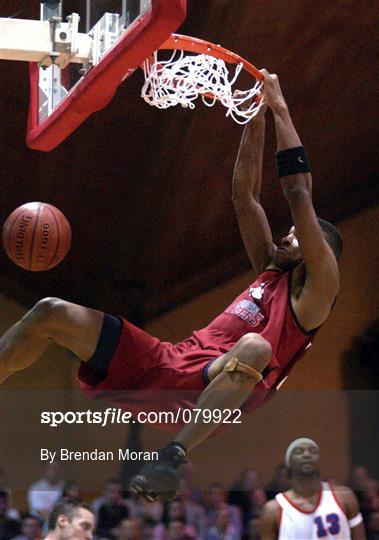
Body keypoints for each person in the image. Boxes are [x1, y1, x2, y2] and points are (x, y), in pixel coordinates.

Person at [0, 71, 342, 502]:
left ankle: (172, 458)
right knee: (50, 311)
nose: (288, 236)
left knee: (256, 346)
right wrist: (254, 118)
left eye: (299, 235)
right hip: (173, 362)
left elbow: (297, 193)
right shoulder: (272, 269)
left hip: (218, 387)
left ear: (321, 252)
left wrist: (280, 108)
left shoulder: (316, 295)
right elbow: (244, 197)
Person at [260, 438, 366, 539]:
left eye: (312, 451)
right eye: (299, 451)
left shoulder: (344, 496)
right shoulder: (273, 510)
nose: (307, 454)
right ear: (289, 464)